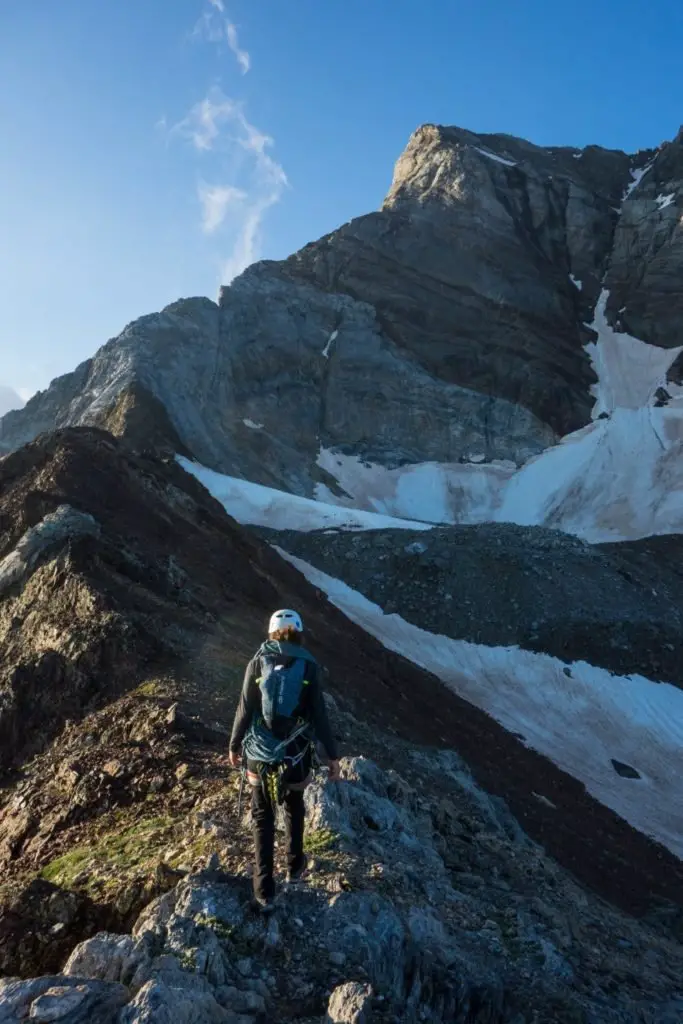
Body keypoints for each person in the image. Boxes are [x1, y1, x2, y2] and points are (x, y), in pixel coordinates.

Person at [229, 608, 340, 912]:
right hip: (295, 754)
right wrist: (332, 756)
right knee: (294, 805)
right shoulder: (309, 666)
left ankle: (264, 890)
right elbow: (319, 715)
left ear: (271, 632)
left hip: (258, 756)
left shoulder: (256, 663)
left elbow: (244, 709)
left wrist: (234, 745)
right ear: (298, 631)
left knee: (262, 816)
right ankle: (295, 869)